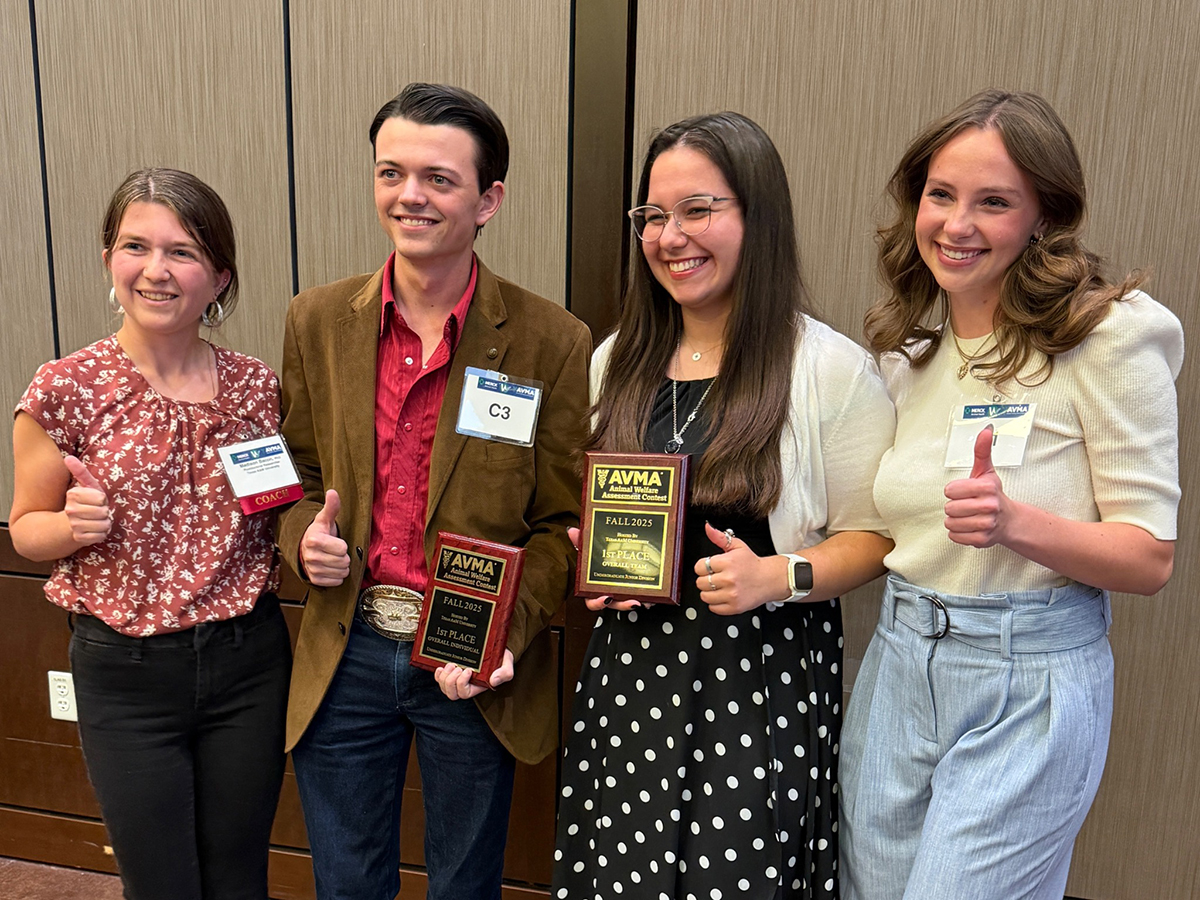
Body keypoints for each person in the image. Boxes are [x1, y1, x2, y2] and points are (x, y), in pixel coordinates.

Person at [840, 89, 1184, 900]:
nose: (957, 225)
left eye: (994, 202)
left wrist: (1015, 523)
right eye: (941, 195)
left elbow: (1151, 559)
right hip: (898, 664)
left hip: (1026, 679)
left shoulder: (1107, 337)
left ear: (1043, 218)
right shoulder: (906, 355)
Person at [552, 111, 896, 900]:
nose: (672, 236)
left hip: (760, 681)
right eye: (653, 216)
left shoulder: (826, 369)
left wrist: (780, 576)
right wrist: (599, 570)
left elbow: (877, 538)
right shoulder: (619, 360)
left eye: (699, 210)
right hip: (632, 674)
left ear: (757, 216)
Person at [277, 82, 589, 900]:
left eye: (438, 179)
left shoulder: (552, 341)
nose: (409, 196)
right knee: (347, 882)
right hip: (347, 648)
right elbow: (296, 482)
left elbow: (561, 524)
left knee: (462, 884)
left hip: (468, 658)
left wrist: (504, 634)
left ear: (488, 200)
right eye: (391, 173)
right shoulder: (316, 321)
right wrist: (302, 536)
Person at [9, 168, 291, 900]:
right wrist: (68, 526)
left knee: (239, 877)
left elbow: (278, 506)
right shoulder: (65, 387)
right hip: (126, 673)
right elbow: (25, 532)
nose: (157, 270)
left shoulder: (257, 387)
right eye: (137, 246)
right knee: (160, 881)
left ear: (219, 275)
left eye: (184, 252)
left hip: (248, 662)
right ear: (109, 258)